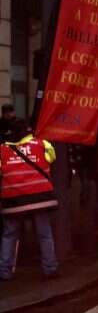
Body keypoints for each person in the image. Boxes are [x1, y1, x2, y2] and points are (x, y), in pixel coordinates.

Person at [0, 119, 59, 280]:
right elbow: (51, 158)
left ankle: (4, 271)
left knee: (9, 235)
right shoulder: (42, 144)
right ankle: (50, 268)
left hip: (13, 201)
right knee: (44, 234)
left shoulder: (3, 150)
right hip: (40, 197)